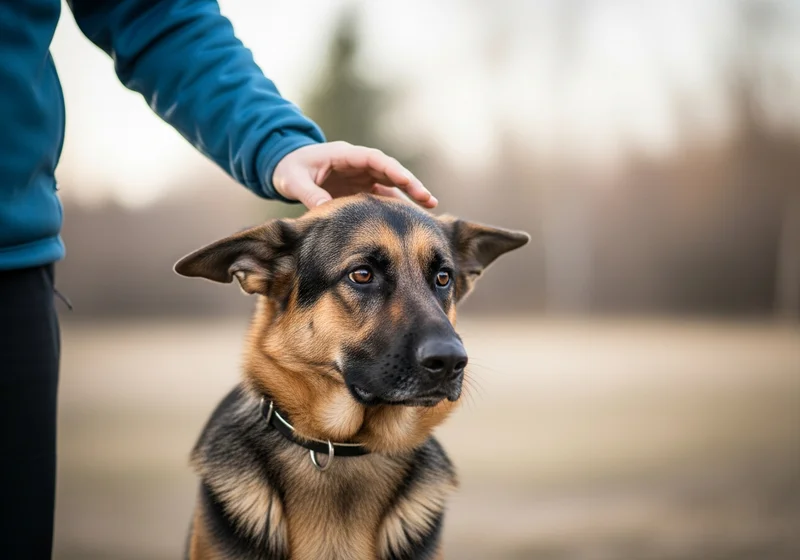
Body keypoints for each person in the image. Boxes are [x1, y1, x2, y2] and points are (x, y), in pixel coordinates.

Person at [0, 1, 436, 557]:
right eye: (362, 275)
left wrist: (282, 145)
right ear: (258, 274)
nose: (448, 348)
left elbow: (157, 14)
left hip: (7, 267)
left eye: (439, 277)